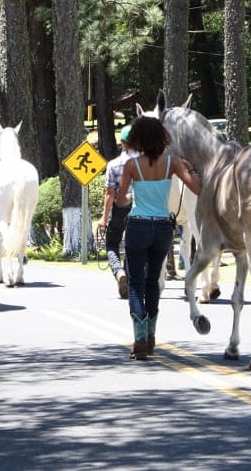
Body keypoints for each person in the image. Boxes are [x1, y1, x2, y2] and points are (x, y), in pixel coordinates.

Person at [116, 116, 201, 360]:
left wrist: (132, 197)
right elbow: (196, 187)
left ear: (138, 140)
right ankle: (151, 336)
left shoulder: (132, 166)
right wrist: (191, 168)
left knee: (135, 282)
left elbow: (121, 200)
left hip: (138, 225)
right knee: (153, 280)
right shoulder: (172, 163)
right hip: (163, 227)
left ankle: (140, 338)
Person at [98, 124, 136, 299]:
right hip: (139, 208)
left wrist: (104, 218)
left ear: (121, 143)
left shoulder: (113, 165)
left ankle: (119, 272)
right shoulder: (144, 164)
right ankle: (128, 277)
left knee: (112, 244)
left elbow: (109, 194)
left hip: (119, 209)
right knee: (131, 244)